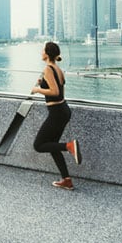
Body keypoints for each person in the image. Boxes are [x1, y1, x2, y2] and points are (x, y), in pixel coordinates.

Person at [30, 41, 81, 190]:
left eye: (42, 50)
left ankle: (69, 146)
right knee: (52, 146)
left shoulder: (48, 69)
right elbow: (60, 92)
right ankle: (66, 180)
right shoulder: (58, 69)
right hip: (63, 110)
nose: (41, 52)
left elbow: (55, 92)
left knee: (39, 145)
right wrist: (42, 83)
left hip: (57, 113)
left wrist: (37, 89)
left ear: (47, 53)